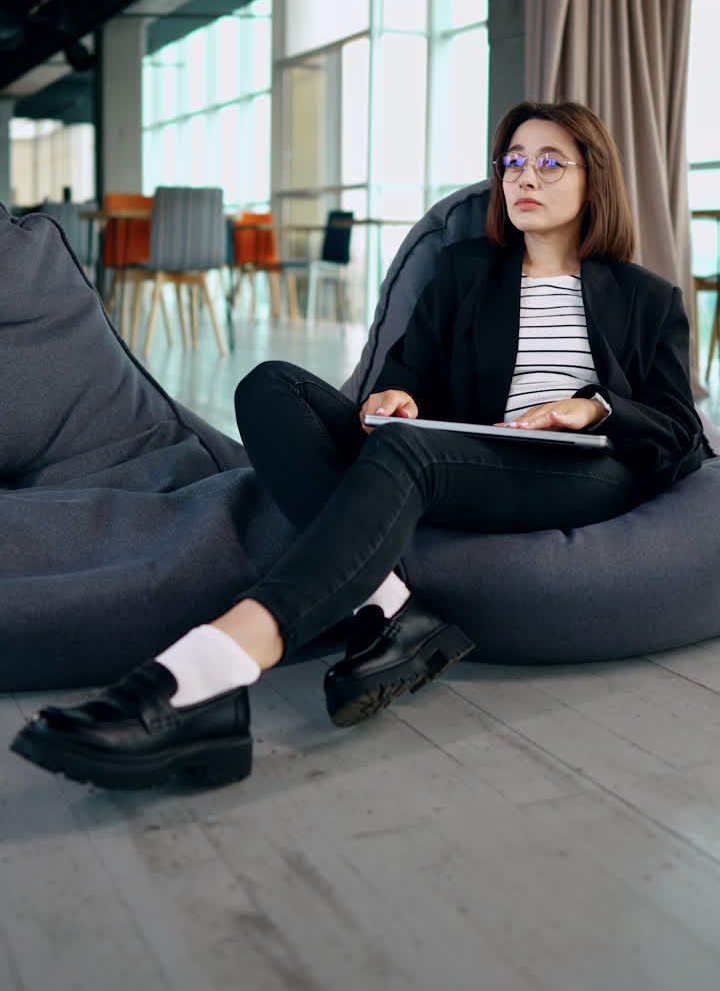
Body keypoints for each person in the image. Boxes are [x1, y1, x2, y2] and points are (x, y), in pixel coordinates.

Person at [11, 101, 707, 791]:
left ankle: (210, 670)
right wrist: (394, 397)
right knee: (270, 385)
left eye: (550, 162)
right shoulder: (466, 271)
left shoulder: (645, 296)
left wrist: (592, 408)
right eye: (513, 161)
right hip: (473, 453)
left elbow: (680, 427)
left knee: (408, 454)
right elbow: (409, 372)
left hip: (582, 469)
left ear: (594, 179)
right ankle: (389, 603)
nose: (525, 176)